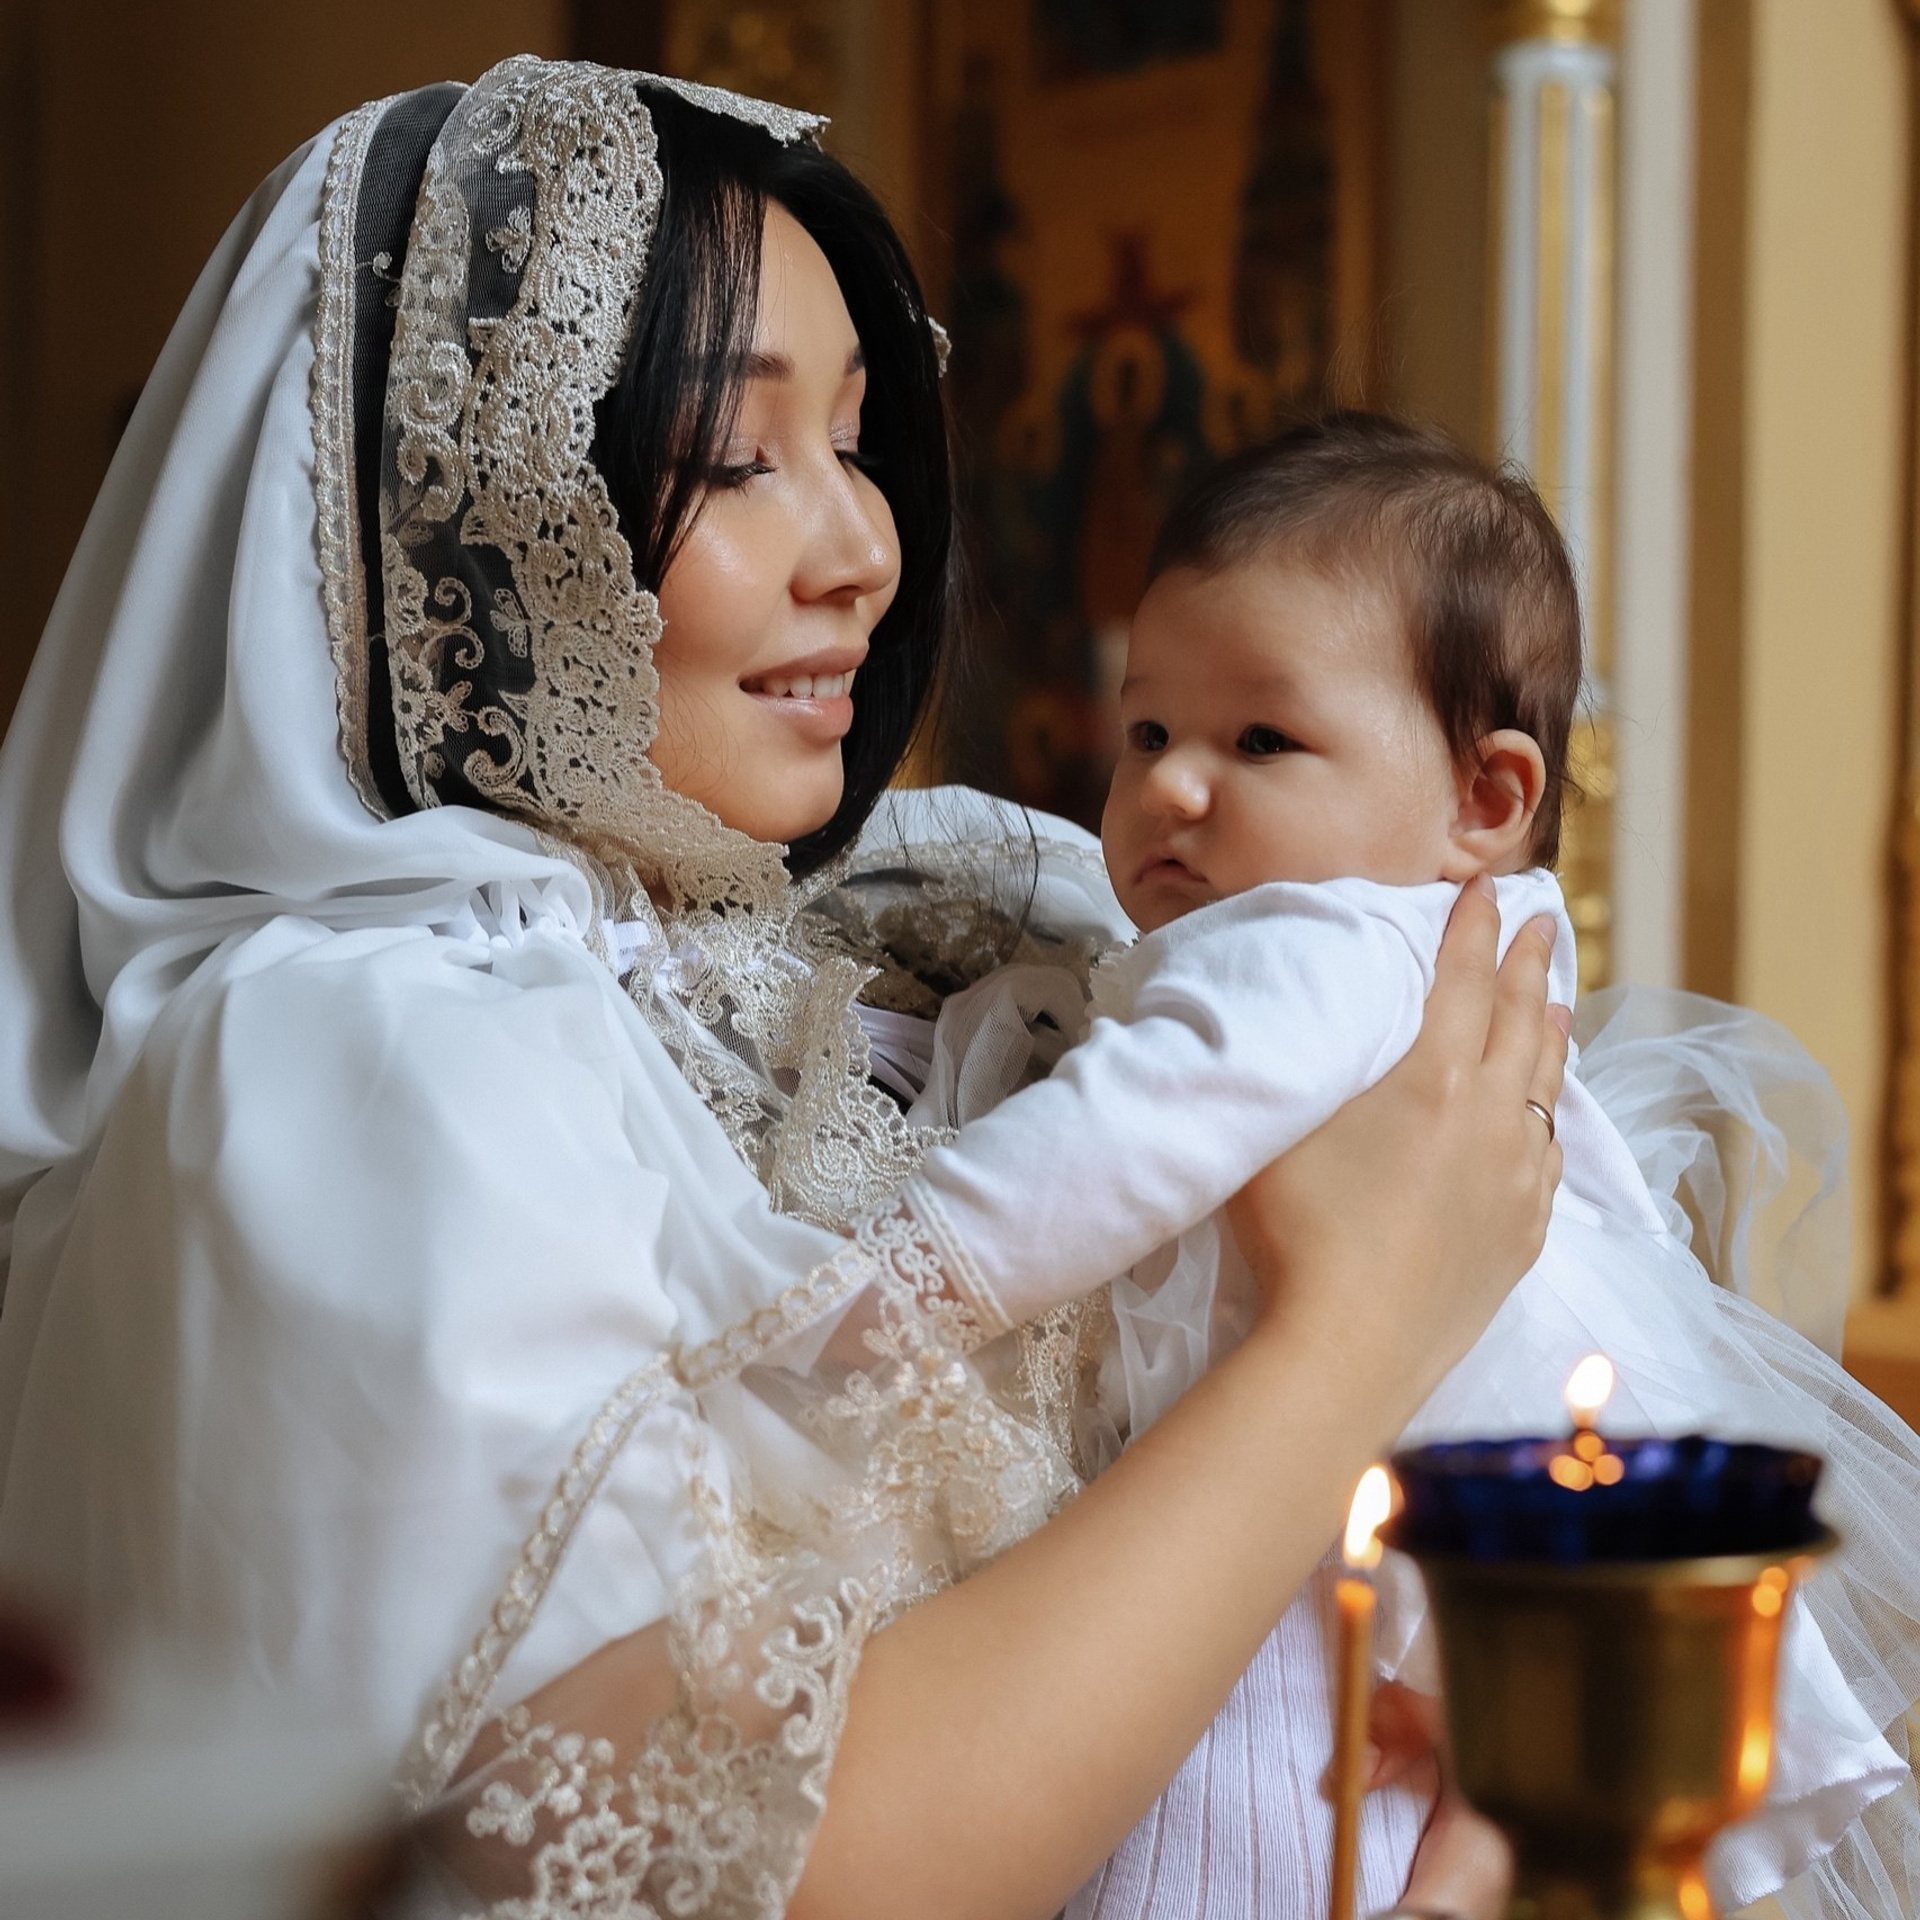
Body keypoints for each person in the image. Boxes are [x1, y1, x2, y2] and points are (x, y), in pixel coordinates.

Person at [0, 58, 1565, 1920]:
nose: (868, 550)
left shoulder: (945, 917)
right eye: (740, 457)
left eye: (856, 441)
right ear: (468, 525)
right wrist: (1352, 1330)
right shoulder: (353, 1069)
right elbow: (737, 1868)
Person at [887, 416, 1920, 1920]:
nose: (1172, 788)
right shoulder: (1444, 942)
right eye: (1149, 732)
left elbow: (1107, 1150)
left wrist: (898, 1281)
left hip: (1327, 1532)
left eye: (1261, 741)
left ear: (1484, 801)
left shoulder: (1313, 949)